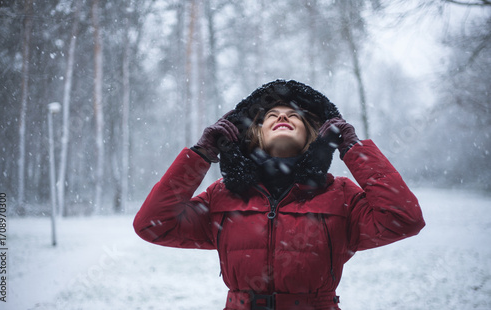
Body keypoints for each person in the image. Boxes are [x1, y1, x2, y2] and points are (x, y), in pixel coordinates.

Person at [134, 79, 425, 310]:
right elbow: (152, 225)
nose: (282, 116)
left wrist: (354, 149)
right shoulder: (221, 196)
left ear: (312, 133)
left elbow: (404, 218)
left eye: (293, 115)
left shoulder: (341, 195)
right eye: (271, 115)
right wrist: (200, 155)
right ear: (255, 135)